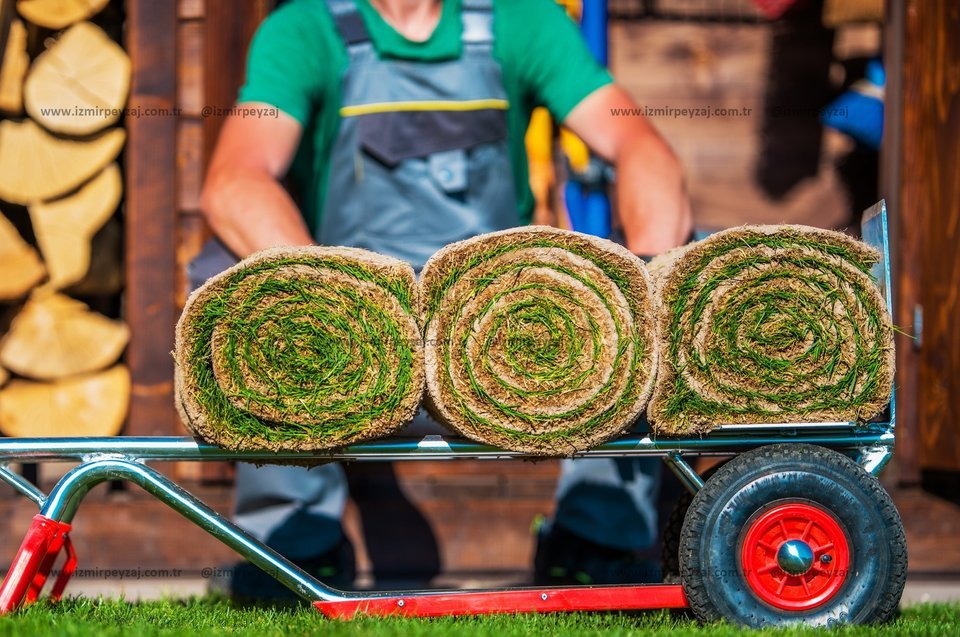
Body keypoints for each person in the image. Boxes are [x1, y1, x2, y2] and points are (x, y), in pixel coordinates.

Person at [196, 0, 692, 598]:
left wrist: (645, 276)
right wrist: (331, 301)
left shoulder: (522, 20)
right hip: (356, 335)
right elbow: (235, 181)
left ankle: (595, 544)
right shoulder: (305, 29)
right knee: (228, 273)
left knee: (655, 276)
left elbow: (641, 148)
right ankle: (295, 548)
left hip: (506, 327)